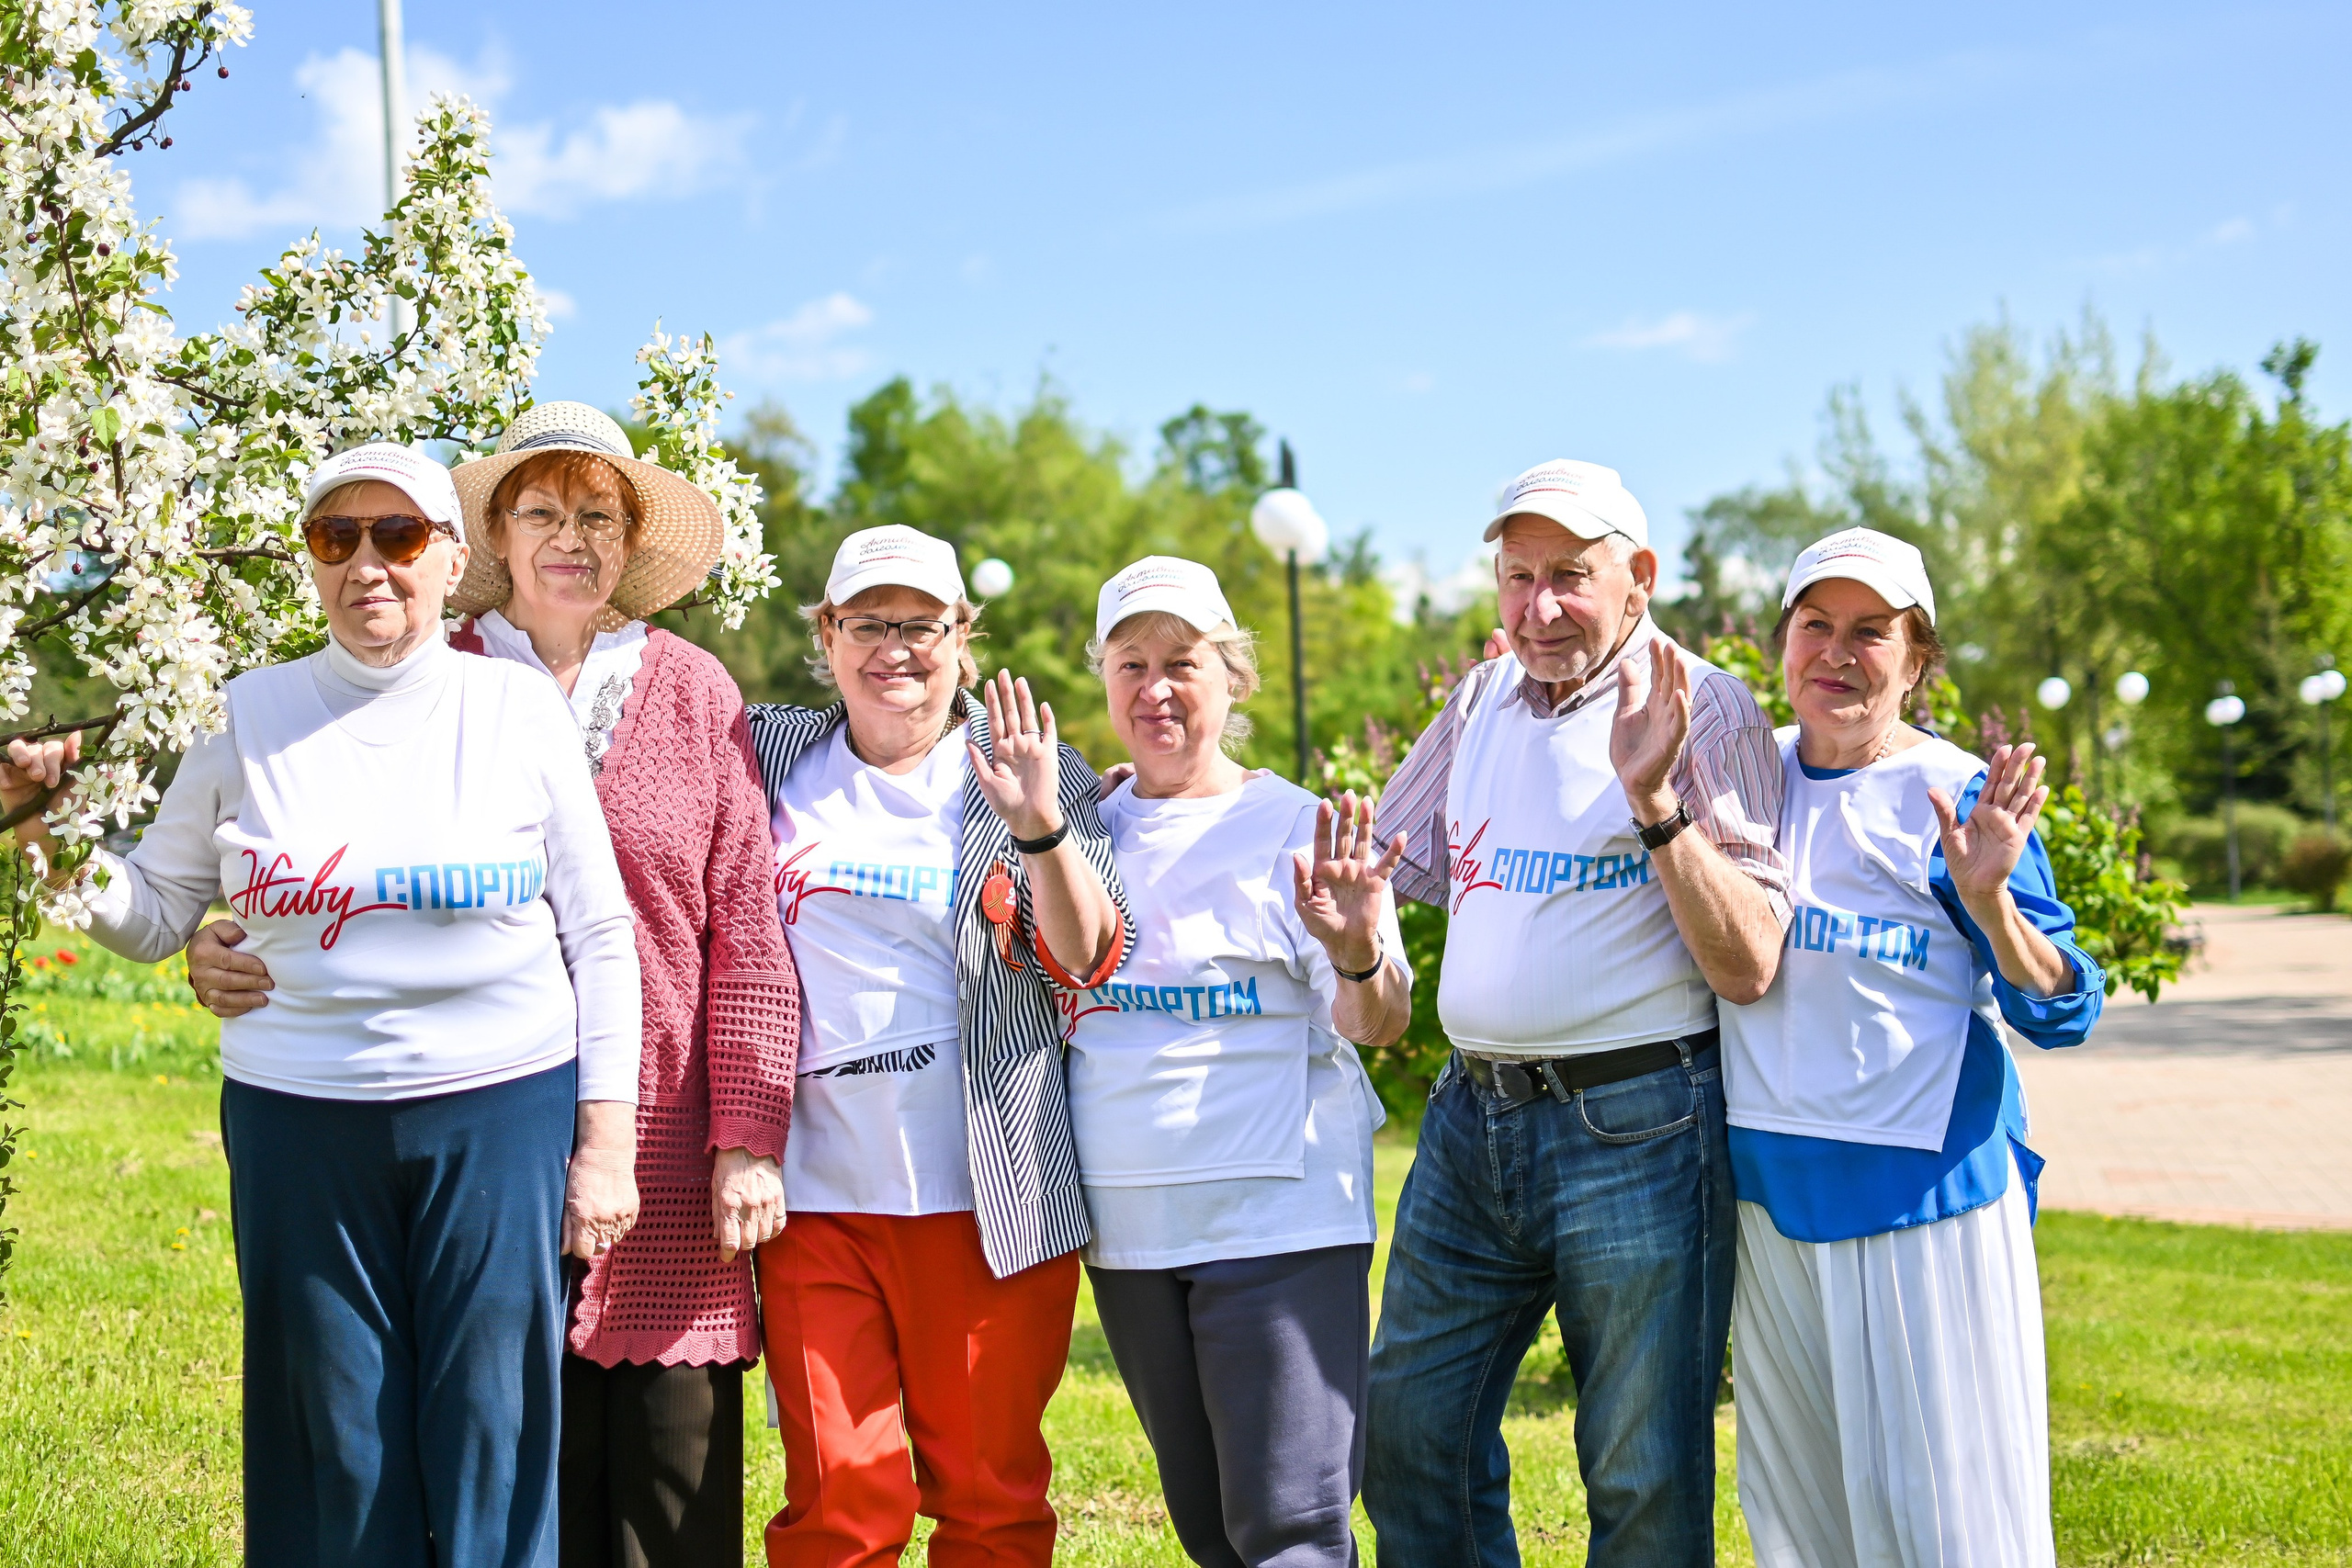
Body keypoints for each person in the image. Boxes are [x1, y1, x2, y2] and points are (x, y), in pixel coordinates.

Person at [4, 442, 641, 1565]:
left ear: (450, 559)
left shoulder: (515, 710)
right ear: (310, 562)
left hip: (498, 1111)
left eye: (397, 537)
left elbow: (598, 929)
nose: (367, 566)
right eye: (334, 539)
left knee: (494, 1428)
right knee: (333, 1441)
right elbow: (154, 914)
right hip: (300, 1118)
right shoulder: (246, 713)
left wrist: (606, 1138)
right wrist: (36, 834)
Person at [187, 404, 802, 1566]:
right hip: (463, 1128)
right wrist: (217, 934)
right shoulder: (428, 670)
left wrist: (746, 1135)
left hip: (658, 1136)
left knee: (671, 1478)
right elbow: (315, 852)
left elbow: (749, 931)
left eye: (599, 516)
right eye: (542, 513)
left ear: (629, 542)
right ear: (495, 539)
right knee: (477, 1450)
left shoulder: (690, 689)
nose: (572, 539)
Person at [1363, 458, 1792, 1566]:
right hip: (1471, 1122)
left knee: (1639, 1471)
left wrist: (1653, 804)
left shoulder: (1707, 705)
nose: (1537, 607)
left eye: (1569, 576)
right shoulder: (1477, 699)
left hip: (1639, 1124)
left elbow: (1748, 962)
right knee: (1412, 1433)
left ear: (1638, 577)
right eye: (1516, 578)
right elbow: (1382, 864)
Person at [744, 524, 1131, 1568]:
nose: (894, 649)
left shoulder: (1031, 772)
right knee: (839, 1500)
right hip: (816, 1192)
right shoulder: (768, 755)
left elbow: (1086, 958)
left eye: (921, 624)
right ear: (826, 635)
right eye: (868, 623)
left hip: (985, 1193)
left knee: (988, 1500)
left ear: (964, 637)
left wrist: (1041, 825)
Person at [1715, 527, 2103, 1568]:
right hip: (1764, 1193)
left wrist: (1989, 903)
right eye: (1815, 626)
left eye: (1870, 632)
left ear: (1918, 659)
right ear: (1783, 643)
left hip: (1923, 1194)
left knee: (1949, 1522)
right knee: (1800, 1524)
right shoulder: (1743, 781)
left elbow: (2061, 1007)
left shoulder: (1956, 792)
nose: (1836, 654)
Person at [1070, 557, 1413, 1568]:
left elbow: (1378, 1021)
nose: (1156, 688)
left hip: (1279, 1223)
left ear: (1234, 678)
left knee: (1290, 1529)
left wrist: (1354, 949)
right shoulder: (1073, 826)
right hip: (1131, 1230)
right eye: (1131, 663)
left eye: (1183, 661)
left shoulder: (1300, 830)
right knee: (1211, 1533)